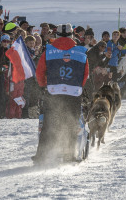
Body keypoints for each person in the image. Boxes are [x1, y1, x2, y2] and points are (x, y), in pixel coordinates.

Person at [33, 24, 89, 163]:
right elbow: (85, 74)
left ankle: (41, 156)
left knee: (48, 124)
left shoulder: (49, 51)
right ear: (72, 35)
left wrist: (43, 85)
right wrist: (78, 87)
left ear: (56, 35)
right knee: (71, 123)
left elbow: (40, 72)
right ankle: (69, 155)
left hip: (53, 92)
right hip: (73, 93)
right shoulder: (81, 52)